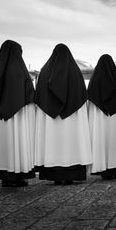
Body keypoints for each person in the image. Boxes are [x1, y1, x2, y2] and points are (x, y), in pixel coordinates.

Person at [34, 44, 92, 185]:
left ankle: (55, 176)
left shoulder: (45, 71)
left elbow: (39, 95)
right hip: (72, 118)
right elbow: (81, 95)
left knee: (52, 143)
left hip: (50, 119)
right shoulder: (75, 71)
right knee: (72, 142)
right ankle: (71, 174)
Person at [0, 40, 36, 187]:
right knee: (17, 143)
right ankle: (18, 176)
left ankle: (5, 177)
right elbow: (29, 94)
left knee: (3, 145)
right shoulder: (21, 71)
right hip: (18, 115)